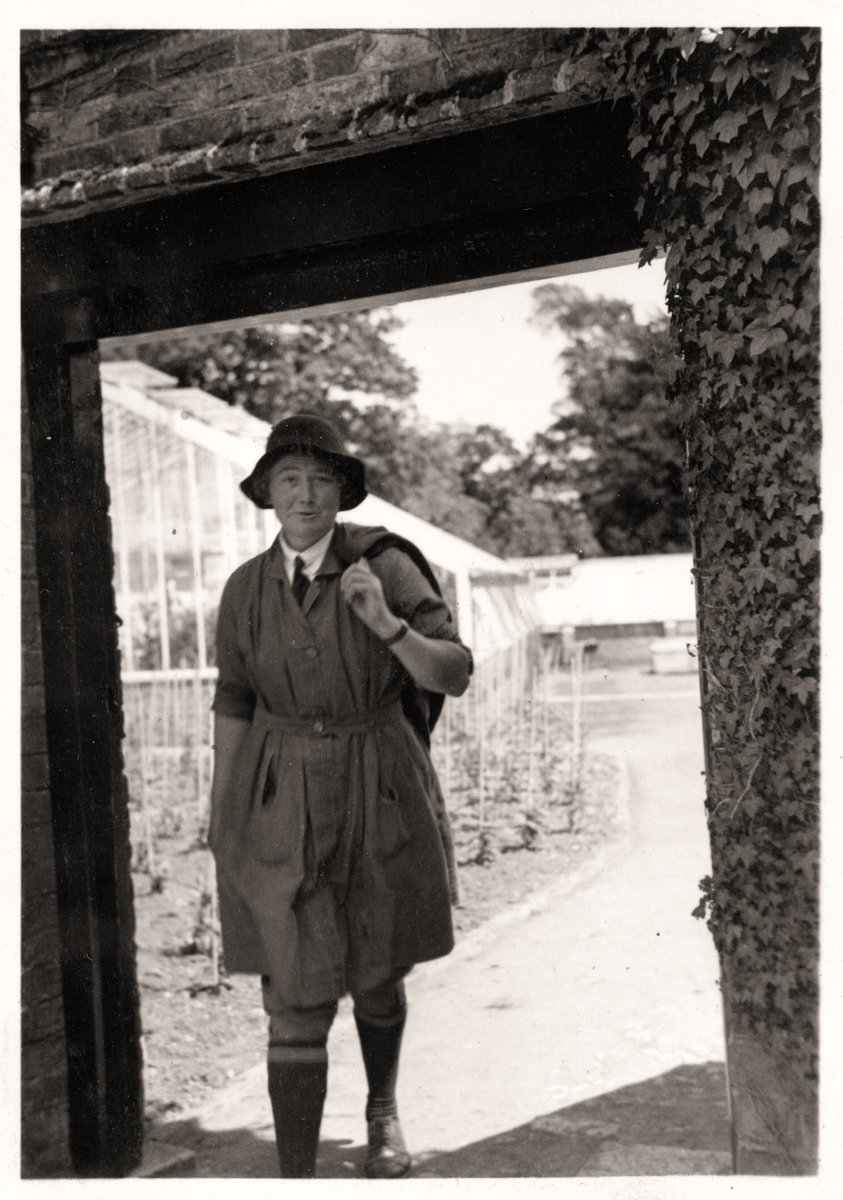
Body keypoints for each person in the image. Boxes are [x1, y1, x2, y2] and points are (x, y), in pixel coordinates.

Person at [208, 413, 472, 1179]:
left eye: (321, 479)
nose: (305, 495)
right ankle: (297, 1176)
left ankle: (382, 1113)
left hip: (377, 784)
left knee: (377, 971)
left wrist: (385, 624)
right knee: (291, 990)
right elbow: (232, 702)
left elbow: (451, 672)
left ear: (342, 492)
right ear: (267, 492)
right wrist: (224, 815)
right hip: (281, 792)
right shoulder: (244, 590)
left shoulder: (384, 566)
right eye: (289, 479)